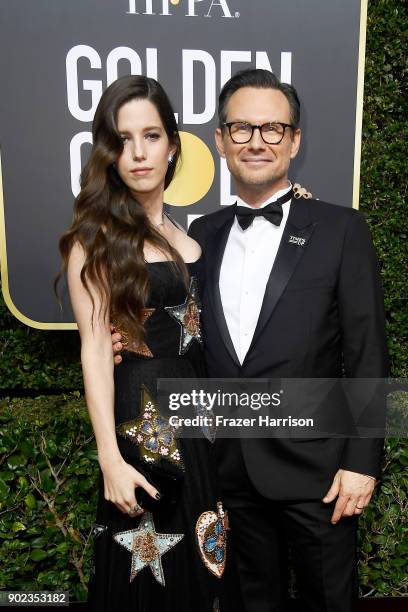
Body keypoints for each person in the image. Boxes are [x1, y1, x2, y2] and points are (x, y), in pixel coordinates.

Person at [112, 69, 388, 611]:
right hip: (227, 472)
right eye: (241, 128)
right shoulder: (200, 238)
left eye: (272, 128)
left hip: (321, 475)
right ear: (219, 140)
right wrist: (121, 344)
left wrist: (363, 461)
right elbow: (173, 328)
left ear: (295, 141)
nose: (257, 141)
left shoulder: (342, 230)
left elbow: (368, 353)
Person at [56, 75, 224, 612]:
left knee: (203, 564)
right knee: (149, 577)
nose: (138, 153)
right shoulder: (97, 238)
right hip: (142, 424)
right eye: (123, 139)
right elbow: (96, 349)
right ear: (108, 152)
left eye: (151, 136)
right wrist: (109, 457)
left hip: (198, 421)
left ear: (173, 145)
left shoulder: (187, 233)